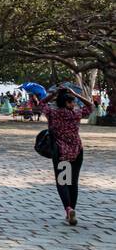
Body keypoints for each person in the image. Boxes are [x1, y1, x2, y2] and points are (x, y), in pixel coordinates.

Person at [39, 87, 92, 226]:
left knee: (63, 181)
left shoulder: (52, 113)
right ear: (67, 103)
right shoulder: (76, 114)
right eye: (72, 101)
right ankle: (71, 210)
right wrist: (76, 94)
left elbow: (41, 103)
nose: (73, 104)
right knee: (73, 183)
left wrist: (53, 94)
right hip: (77, 151)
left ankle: (68, 209)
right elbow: (91, 106)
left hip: (61, 152)